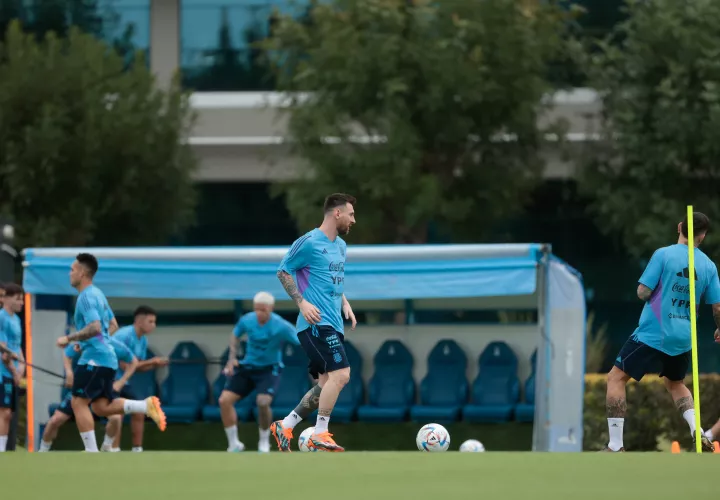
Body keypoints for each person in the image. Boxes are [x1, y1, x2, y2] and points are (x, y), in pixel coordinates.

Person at [603, 212, 720, 452]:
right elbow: (716, 305)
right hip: (684, 337)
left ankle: (615, 446)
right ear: (703, 235)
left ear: (679, 227)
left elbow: (643, 292)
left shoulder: (663, 254)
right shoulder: (709, 265)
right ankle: (697, 431)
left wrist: (657, 293)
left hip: (654, 332)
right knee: (676, 383)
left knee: (615, 378)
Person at [271, 193, 358, 453]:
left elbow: (331, 279)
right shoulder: (308, 242)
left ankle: (285, 425)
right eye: (351, 214)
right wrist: (301, 302)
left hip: (334, 323)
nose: (354, 220)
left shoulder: (341, 246)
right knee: (342, 375)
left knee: (324, 384)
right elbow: (283, 270)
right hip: (315, 324)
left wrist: (344, 302)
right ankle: (320, 433)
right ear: (337, 213)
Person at [56, 253, 166, 452]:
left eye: (72, 270)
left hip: (94, 360)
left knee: (78, 403)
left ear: (81, 273)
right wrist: (88, 341)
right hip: (107, 360)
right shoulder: (98, 294)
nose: (69, 273)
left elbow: (96, 327)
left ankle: (92, 452)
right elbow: (112, 325)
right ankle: (144, 406)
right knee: (100, 407)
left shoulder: (85, 297)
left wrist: (70, 339)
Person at [220, 291, 300, 453]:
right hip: (248, 367)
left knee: (262, 402)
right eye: (256, 309)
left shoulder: (281, 326)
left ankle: (264, 442)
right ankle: (234, 444)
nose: (259, 313)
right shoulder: (247, 320)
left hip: (269, 370)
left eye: (262, 310)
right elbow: (235, 335)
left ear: (271, 308)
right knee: (224, 401)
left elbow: (301, 340)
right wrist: (231, 358)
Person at [39, 338, 139, 452]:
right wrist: (69, 373)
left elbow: (134, 361)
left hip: (101, 391)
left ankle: (106, 446)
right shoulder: (85, 340)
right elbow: (67, 353)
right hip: (82, 390)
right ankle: (43, 450)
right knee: (55, 420)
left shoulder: (115, 345)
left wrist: (120, 382)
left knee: (116, 419)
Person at [105, 305, 166, 452]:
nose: (154, 325)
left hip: (124, 382)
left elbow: (138, 368)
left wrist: (155, 365)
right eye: (150, 321)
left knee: (139, 412)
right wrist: (152, 361)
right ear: (139, 321)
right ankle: (114, 449)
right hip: (111, 382)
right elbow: (126, 366)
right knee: (117, 414)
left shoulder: (143, 340)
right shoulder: (123, 336)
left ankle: (137, 449)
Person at [0, 284, 25, 452]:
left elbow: (18, 348)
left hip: (14, 372)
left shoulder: (17, 319)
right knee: (5, 411)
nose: (22, 303)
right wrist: (15, 371)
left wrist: (21, 366)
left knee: (10, 413)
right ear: (6, 299)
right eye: (18, 299)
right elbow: (4, 351)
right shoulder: (2, 317)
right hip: (3, 373)